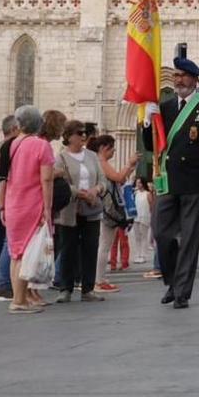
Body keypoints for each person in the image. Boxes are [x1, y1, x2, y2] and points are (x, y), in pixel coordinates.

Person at [152, 55, 199, 310]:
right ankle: (173, 281)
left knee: (188, 239)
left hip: (195, 182)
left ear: (194, 80)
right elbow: (154, 143)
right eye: (175, 75)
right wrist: (145, 121)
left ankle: (182, 291)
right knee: (162, 235)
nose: (177, 80)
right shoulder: (165, 107)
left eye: (182, 75)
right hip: (169, 181)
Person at [3, 107, 58, 312]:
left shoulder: (10, 145)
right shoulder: (41, 146)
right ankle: (19, 300)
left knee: (16, 252)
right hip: (32, 204)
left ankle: (19, 298)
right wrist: (48, 207)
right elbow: (46, 178)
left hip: (12, 203)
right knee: (27, 251)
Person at [53, 119, 103, 303]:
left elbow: (102, 180)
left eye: (84, 133)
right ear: (69, 136)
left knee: (91, 247)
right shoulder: (62, 157)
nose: (83, 136)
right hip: (70, 209)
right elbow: (61, 183)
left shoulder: (91, 156)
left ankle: (88, 288)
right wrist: (80, 193)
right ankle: (65, 288)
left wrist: (95, 191)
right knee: (68, 248)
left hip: (91, 208)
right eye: (79, 133)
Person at [92, 132, 137, 287]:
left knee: (105, 244)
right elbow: (118, 177)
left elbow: (120, 178)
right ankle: (99, 279)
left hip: (106, 207)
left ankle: (100, 278)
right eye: (112, 149)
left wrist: (130, 168)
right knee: (104, 245)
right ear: (104, 148)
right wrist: (129, 164)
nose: (114, 152)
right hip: (106, 208)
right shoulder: (101, 162)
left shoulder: (100, 162)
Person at [0, 114, 18, 300]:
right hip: (3, 198)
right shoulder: (7, 146)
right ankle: (4, 282)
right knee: (7, 241)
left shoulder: (4, 145)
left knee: (4, 240)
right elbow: (4, 175)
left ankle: (4, 279)